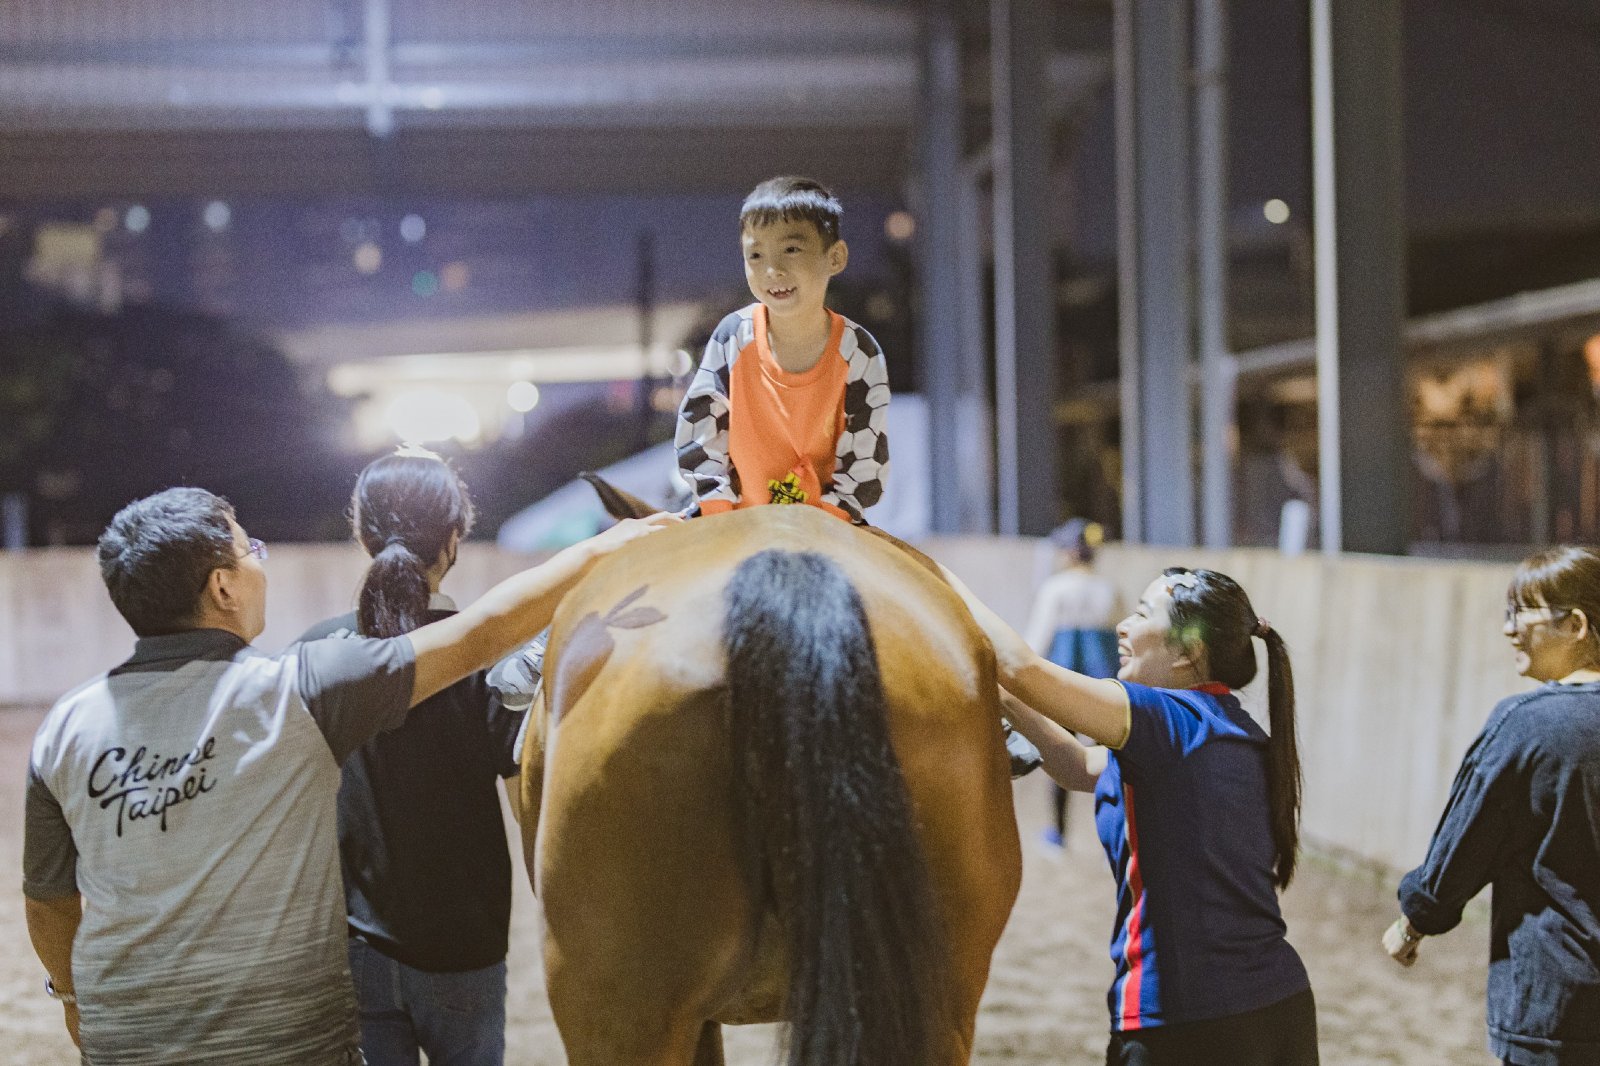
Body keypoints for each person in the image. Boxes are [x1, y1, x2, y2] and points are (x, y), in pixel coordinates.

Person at [22, 486, 672, 1064]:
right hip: (289, 1044)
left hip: (123, 1043)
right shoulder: (298, 691)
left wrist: (73, 998)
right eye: (251, 552)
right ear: (223, 588)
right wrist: (607, 547)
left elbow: (49, 899)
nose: (259, 566)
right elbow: (480, 633)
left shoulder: (64, 728)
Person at [950, 564, 1317, 1065]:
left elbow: (1022, 667)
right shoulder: (1224, 726)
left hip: (1184, 1021)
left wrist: (932, 576)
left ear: (1188, 652)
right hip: (1280, 1009)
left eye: (1143, 614)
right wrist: (1006, 699)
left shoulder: (1164, 717)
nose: (1122, 626)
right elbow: (1080, 766)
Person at [295, 449, 532, 1066]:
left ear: (362, 534)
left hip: (350, 946)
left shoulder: (315, 654)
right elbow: (529, 809)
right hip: (465, 947)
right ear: (454, 538)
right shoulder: (492, 663)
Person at [1384, 545, 1600, 1066]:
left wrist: (1415, 921)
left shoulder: (1528, 724)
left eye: (1521, 614)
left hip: (1559, 1005)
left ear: (1575, 625)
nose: (1508, 630)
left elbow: (1467, 841)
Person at [675, 175, 890, 523]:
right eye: (756, 255)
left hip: (827, 522)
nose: (773, 270)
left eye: (791, 249)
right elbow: (702, 426)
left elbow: (865, 452)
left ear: (835, 257)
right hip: (734, 518)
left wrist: (831, 517)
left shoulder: (859, 352)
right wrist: (718, 509)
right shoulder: (734, 337)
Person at [1024, 518, 1122, 848]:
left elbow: (1037, 642)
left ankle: (1059, 834)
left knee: (1062, 759)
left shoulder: (1055, 589)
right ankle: (1112, 835)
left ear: (1068, 552)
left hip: (1064, 688)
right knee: (1110, 765)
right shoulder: (1109, 590)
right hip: (1103, 690)